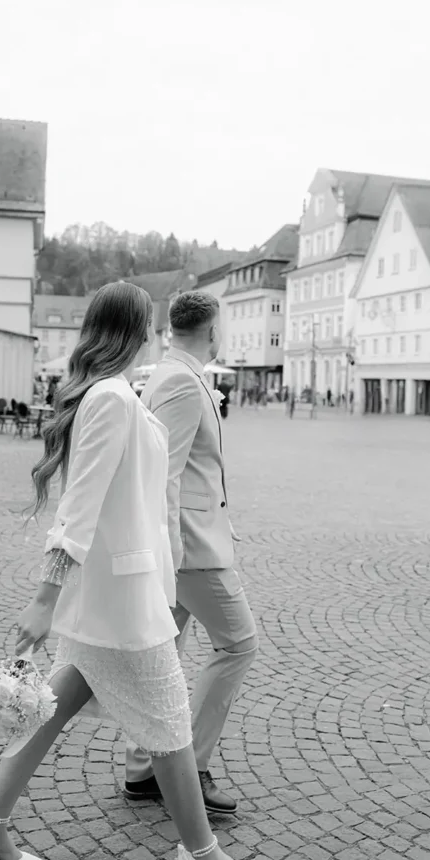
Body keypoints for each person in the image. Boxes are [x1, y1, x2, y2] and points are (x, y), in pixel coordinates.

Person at [0, 282, 278, 860]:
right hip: (120, 603)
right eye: (151, 324)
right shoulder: (109, 397)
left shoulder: (117, 393)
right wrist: (46, 596)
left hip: (123, 593)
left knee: (51, 715)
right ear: (138, 328)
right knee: (169, 724)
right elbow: (79, 508)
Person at [124, 292, 259, 816]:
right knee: (238, 646)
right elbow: (167, 473)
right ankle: (191, 765)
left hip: (191, 541)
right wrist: (176, 553)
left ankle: (143, 769)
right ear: (212, 329)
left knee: (165, 657)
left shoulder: (172, 372)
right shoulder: (180, 381)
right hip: (190, 550)